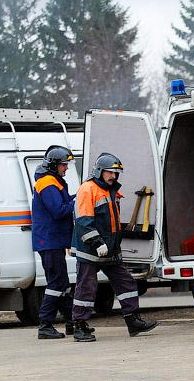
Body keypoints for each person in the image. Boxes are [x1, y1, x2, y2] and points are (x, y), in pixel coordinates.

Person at [70, 152, 157, 342]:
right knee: (86, 288)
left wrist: (114, 247)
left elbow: (113, 223)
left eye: (115, 173)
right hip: (90, 250)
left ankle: (133, 320)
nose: (113, 176)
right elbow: (83, 221)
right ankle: (79, 326)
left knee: (127, 283)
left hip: (109, 250)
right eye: (110, 172)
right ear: (100, 171)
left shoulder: (112, 190)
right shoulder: (87, 189)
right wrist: (97, 242)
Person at [31, 145, 76, 339]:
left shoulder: (52, 181)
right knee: (57, 283)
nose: (66, 168)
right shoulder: (48, 183)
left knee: (63, 283)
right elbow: (58, 210)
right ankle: (45, 324)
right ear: (54, 164)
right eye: (64, 165)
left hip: (52, 241)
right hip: (49, 241)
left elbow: (62, 204)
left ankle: (71, 321)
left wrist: (77, 196)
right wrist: (79, 201)